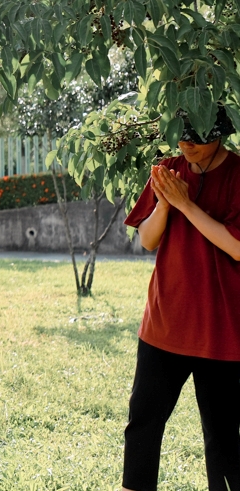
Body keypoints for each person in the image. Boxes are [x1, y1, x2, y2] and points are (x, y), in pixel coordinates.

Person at [121, 106, 240, 491]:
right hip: (164, 323)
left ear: (219, 133)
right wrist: (166, 203)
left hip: (221, 330)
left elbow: (237, 248)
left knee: (223, 439)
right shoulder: (168, 170)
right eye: (181, 137)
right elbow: (148, 239)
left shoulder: (238, 175)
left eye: (196, 139)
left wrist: (187, 205)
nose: (186, 145)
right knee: (143, 422)